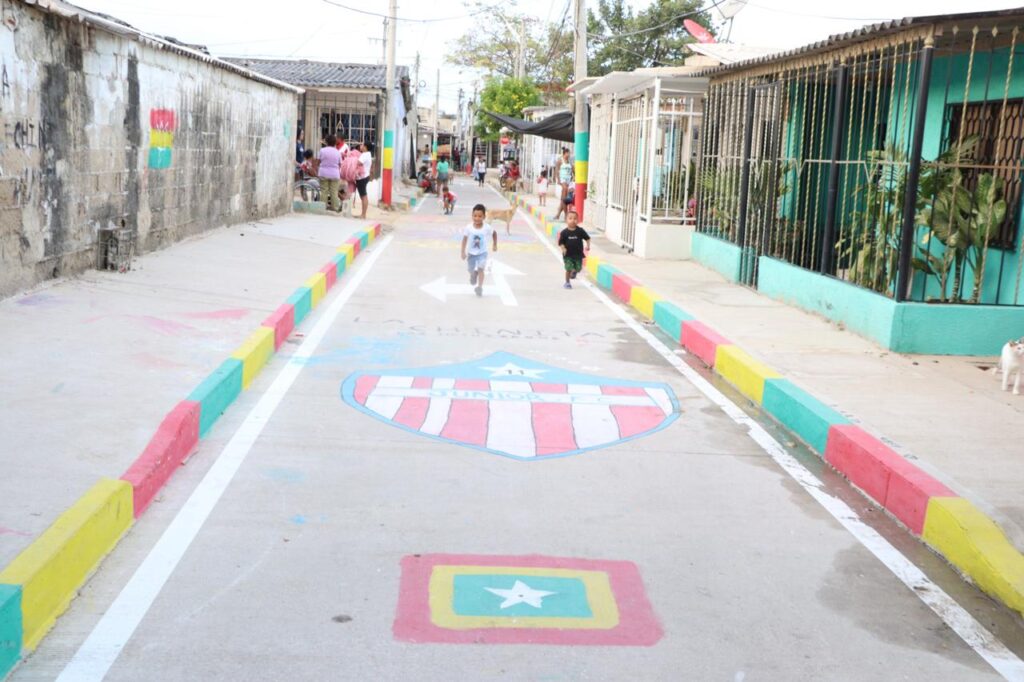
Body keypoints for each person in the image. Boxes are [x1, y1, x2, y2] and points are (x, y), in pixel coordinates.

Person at [461, 203, 498, 297]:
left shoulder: (486, 227)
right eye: (475, 216)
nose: (477, 218)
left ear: (484, 217)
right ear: (472, 216)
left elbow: (494, 233)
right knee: (470, 270)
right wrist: (463, 252)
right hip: (471, 254)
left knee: (481, 268)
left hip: (482, 253)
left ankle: (479, 287)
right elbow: (464, 239)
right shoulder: (469, 227)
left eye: (480, 216)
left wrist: (494, 244)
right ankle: (473, 274)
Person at [557, 207, 590, 289]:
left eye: (575, 218)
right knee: (568, 268)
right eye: (570, 218)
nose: (573, 220)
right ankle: (567, 282)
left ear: (577, 220)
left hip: (578, 255)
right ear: (566, 220)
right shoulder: (564, 232)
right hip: (568, 255)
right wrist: (563, 248)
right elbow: (560, 243)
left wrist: (588, 245)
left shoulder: (580, 231)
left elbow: (587, 238)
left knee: (578, 268)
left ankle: (574, 271)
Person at [317, 134, 343, 212]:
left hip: (323, 173)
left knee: (324, 191)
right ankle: (335, 208)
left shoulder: (322, 150)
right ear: (335, 142)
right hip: (335, 174)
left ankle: (322, 208)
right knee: (334, 192)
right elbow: (340, 164)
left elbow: (318, 162)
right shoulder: (337, 152)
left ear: (326, 142)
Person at [356, 141, 373, 219]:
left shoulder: (364, 155)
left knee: (363, 196)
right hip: (365, 176)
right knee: (363, 195)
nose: (361, 146)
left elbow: (358, 163)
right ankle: (363, 214)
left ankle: (363, 215)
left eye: (362, 145)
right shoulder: (368, 154)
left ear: (365, 147)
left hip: (362, 177)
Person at [555, 147, 573, 220]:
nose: (569, 155)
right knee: (564, 198)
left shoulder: (569, 162)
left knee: (563, 199)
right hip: (563, 180)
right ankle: (566, 215)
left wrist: (572, 178)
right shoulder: (560, 160)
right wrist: (558, 180)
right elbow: (557, 171)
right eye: (568, 153)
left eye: (569, 153)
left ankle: (558, 215)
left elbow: (572, 171)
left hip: (568, 180)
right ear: (564, 153)